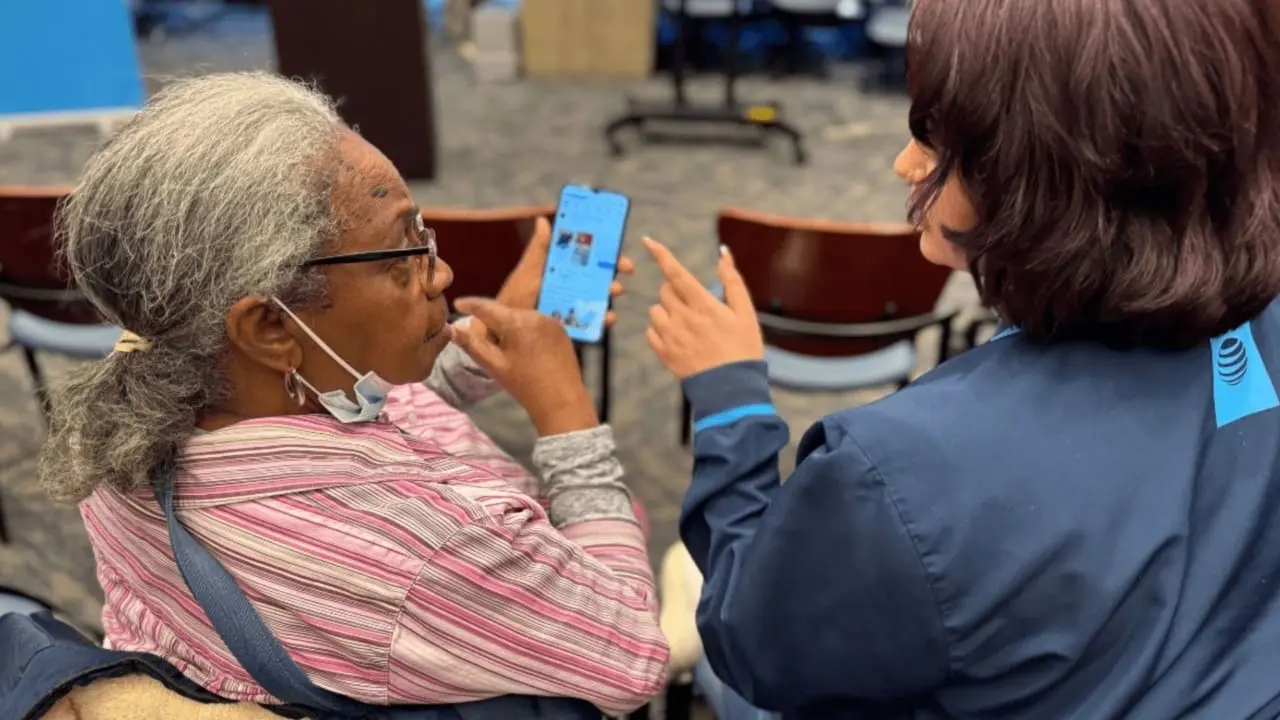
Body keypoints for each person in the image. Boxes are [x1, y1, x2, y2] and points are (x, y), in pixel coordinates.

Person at [643, 0, 1280, 716]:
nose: (904, 163)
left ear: (1049, 172)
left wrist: (729, 402)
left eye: (936, 139)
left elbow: (757, 642)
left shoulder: (902, 473)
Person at [40, 72, 668, 715]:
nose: (441, 272)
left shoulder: (125, 414)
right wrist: (566, 416)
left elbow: (356, 402)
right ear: (271, 327)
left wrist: (473, 358)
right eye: (401, 254)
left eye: (424, 235)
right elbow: (633, 655)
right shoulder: (435, 549)